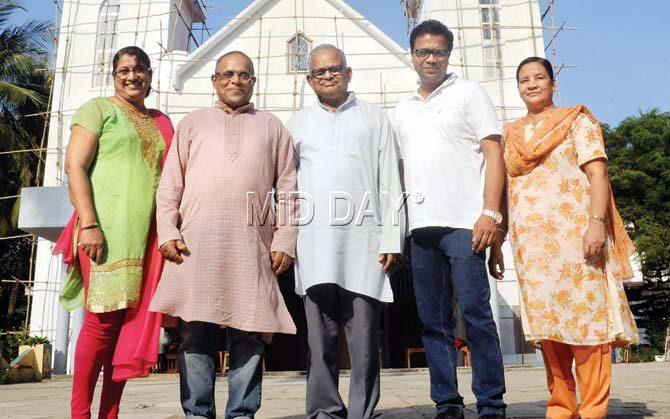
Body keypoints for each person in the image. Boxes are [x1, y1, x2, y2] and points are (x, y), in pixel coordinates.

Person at [149, 51, 298, 419]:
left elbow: (290, 191)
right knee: (195, 335)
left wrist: (285, 240)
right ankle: (197, 414)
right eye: (228, 74)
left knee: (250, 334)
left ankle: (242, 414)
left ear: (253, 82)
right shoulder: (193, 123)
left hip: (252, 247)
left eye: (244, 75)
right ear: (215, 81)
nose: (236, 80)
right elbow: (170, 184)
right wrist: (167, 231)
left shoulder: (273, 126)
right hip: (194, 246)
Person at [502, 56, 638, 419]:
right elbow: (505, 190)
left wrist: (596, 223)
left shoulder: (578, 121)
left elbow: (598, 174)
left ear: (552, 84)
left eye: (539, 78)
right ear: (518, 88)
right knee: (549, 328)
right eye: (524, 80)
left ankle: (593, 409)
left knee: (587, 324)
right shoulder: (511, 134)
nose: (531, 84)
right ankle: (561, 408)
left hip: (577, 240)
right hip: (532, 248)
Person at [393, 20, 507, 419]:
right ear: (412, 56)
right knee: (432, 321)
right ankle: (447, 402)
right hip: (421, 229)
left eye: (438, 52)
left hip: (466, 225)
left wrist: (491, 215)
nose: (430, 58)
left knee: (476, 315)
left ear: (448, 55)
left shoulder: (470, 93)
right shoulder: (402, 108)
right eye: (423, 51)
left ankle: (491, 403)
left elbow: (495, 157)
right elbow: (398, 173)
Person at [53, 46, 174, 419]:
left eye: (139, 69)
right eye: (123, 70)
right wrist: (89, 223)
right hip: (103, 231)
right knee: (101, 322)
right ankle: (80, 414)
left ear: (150, 76)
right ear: (114, 75)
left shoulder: (162, 122)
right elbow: (74, 165)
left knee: (127, 328)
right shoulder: (98, 110)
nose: (131, 76)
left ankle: (110, 413)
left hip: (147, 237)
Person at [286, 44, 405, 419]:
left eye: (334, 69)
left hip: (364, 243)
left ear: (348, 73)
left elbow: (390, 178)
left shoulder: (373, 117)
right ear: (309, 80)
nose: (327, 76)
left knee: (364, 338)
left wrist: (392, 236)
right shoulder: (298, 122)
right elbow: (285, 185)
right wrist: (287, 239)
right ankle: (324, 410)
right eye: (319, 72)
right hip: (314, 243)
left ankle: (362, 411)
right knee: (320, 337)